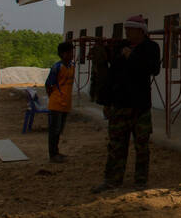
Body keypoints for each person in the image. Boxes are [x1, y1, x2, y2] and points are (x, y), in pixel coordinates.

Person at [92, 14, 161, 193]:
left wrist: (133, 57)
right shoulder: (120, 47)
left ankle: (140, 181)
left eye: (130, 30)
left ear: (140, 31)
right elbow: (111, 76)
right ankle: (112, 180)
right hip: (119, 105)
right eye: (126, 30)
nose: (127, 33)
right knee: (116, 145)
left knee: (142, 146)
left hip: (140, 106)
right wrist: (106, 102)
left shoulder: (151, 48)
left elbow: (154, 69)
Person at [44, 40, 76, 162]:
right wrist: (53, 97)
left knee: (59, 130)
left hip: (66, 103)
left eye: (72, 52)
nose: (71, 54)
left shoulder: (72, 66)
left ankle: (56, 152)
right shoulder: (57, 67)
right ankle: (53, 155)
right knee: (54, 130)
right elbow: (48, 84)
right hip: (56, 103)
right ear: (62, 54)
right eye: (69, 52)